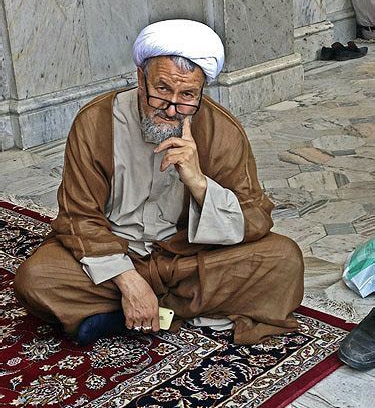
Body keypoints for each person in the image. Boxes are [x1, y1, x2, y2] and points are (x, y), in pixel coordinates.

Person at [14, 19, 304, 346]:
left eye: (187, 95)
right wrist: (127, 280)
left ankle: (126, 317)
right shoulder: (95, 123)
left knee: (283, 259)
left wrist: (198, 182)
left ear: (201, 91)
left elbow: (255, 218)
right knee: (36, 279)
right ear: (141, 79)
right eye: (163, 89)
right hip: (116, 254)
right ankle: (155, 307)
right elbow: (79, 218)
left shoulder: (223, 132)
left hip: (185, 261)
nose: (171, 108)